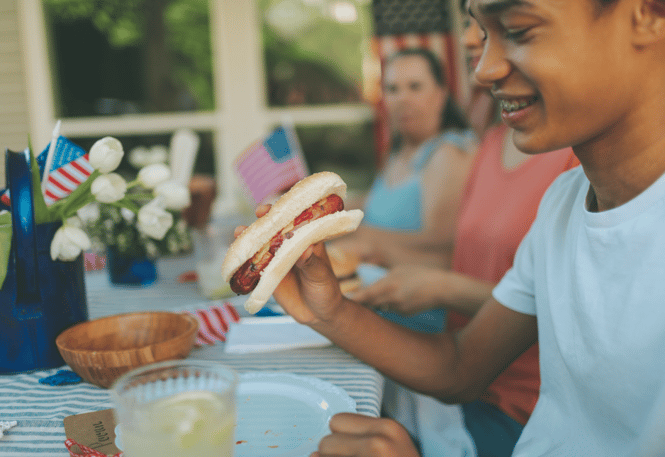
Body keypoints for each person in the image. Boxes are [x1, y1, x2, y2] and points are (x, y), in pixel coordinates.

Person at [238, 0, 665, 455]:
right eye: (482, 32)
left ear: (648, 14)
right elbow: (461, 367)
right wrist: (327, 311)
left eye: (519, 30)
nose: (484, 70)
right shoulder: (563, 201)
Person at [349, 3, 578, 454]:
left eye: (513, 28)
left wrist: (442, 287)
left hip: (521, 408)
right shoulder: (490, 144)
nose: (475, 44)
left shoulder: (576, 161)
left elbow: (561, 313)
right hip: (459, 378)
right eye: (470, 26)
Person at [332, 48, 476, 270]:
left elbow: (444, 247)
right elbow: (378, 203)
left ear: (440, 95)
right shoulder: (399, 150)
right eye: (392, 89)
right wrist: (324, 208)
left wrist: (365, 236)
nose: (402, 98)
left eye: (415, 87)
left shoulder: (448, 152)